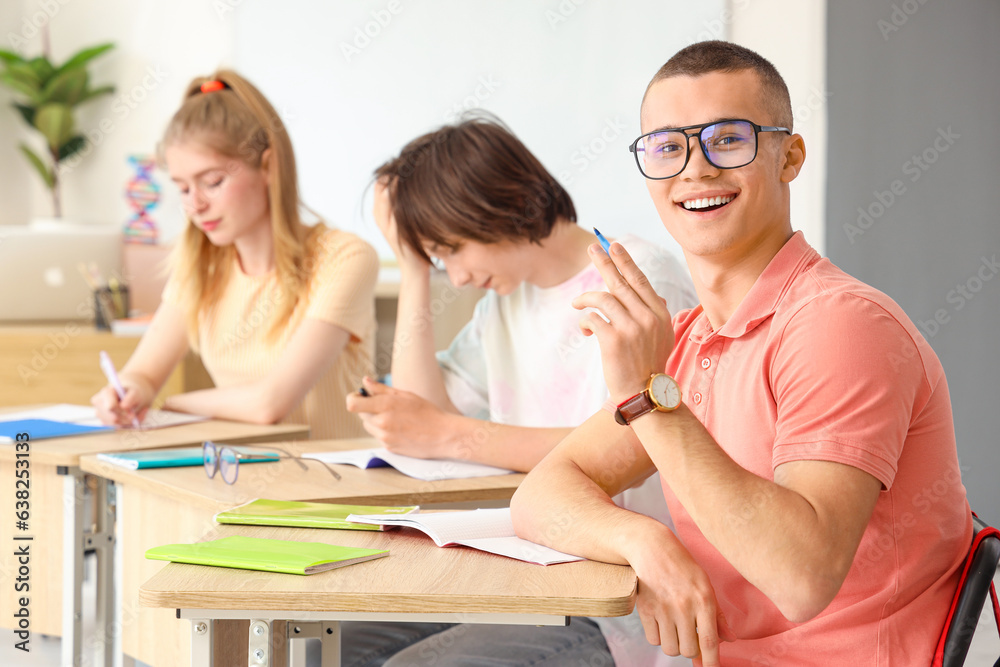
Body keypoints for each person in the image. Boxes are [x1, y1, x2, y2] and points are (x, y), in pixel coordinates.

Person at [510, 40, 972, 667]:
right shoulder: (692, 338)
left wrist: (646, 398)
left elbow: (801, 579)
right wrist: (643, 540)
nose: (694, 170)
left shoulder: (840, 324)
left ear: (790, 156)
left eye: (727, 139)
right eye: (668, 147)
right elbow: (540, 495)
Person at [343, 115, 697, 666]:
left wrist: (453, 437)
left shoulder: (636, 280)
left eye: (451, 250)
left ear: (495, 204)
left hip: (613, 592)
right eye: (440, 259)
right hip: (530, 563)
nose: (454, 277)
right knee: (344, 640)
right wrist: (414, 271)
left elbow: (630, 450)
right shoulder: (504, 305)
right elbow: (424, 417)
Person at [92, 70, 378, 439]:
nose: (194, 204)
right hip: (240, 479)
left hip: (335, 488)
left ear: (268, 166)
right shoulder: (201, 269)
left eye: (212, 182)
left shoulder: (344, 258)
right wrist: (128, 391)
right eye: (182, 188)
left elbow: (269, 403)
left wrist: (175, 405)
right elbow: (143, 374)